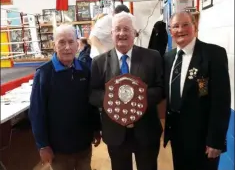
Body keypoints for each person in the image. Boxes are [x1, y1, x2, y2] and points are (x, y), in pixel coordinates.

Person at [90, 12, 163, 170]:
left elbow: (160, 88)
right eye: (117, 29)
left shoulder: (153, 57)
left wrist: (136, 97)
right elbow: (92, 93)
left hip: (146, 130)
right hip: (115, 133)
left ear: (135, 33)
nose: (122, 33)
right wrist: (114, 98)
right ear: (111, 34)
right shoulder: (98, 62)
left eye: (126, 29)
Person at [163, 11, 231, 170]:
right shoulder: (168, 58)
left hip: (203, 139)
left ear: (195, 27)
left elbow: (221, 101)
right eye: (175, 26)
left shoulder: (214, 54)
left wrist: (216, 140)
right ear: (170, 31)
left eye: (185, 24)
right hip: (177, 136)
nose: (180, 30)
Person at [29, 24, 101, 170]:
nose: (67, 47)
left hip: (83, 146)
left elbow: (91, 104)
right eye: (62, 42)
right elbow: (37, 113)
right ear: (54, 45)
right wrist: (42, 145)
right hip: (58, 150)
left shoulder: (85, 70)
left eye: (71, 41)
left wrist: (96, 128)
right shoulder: (43, 74)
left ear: (77, 45)